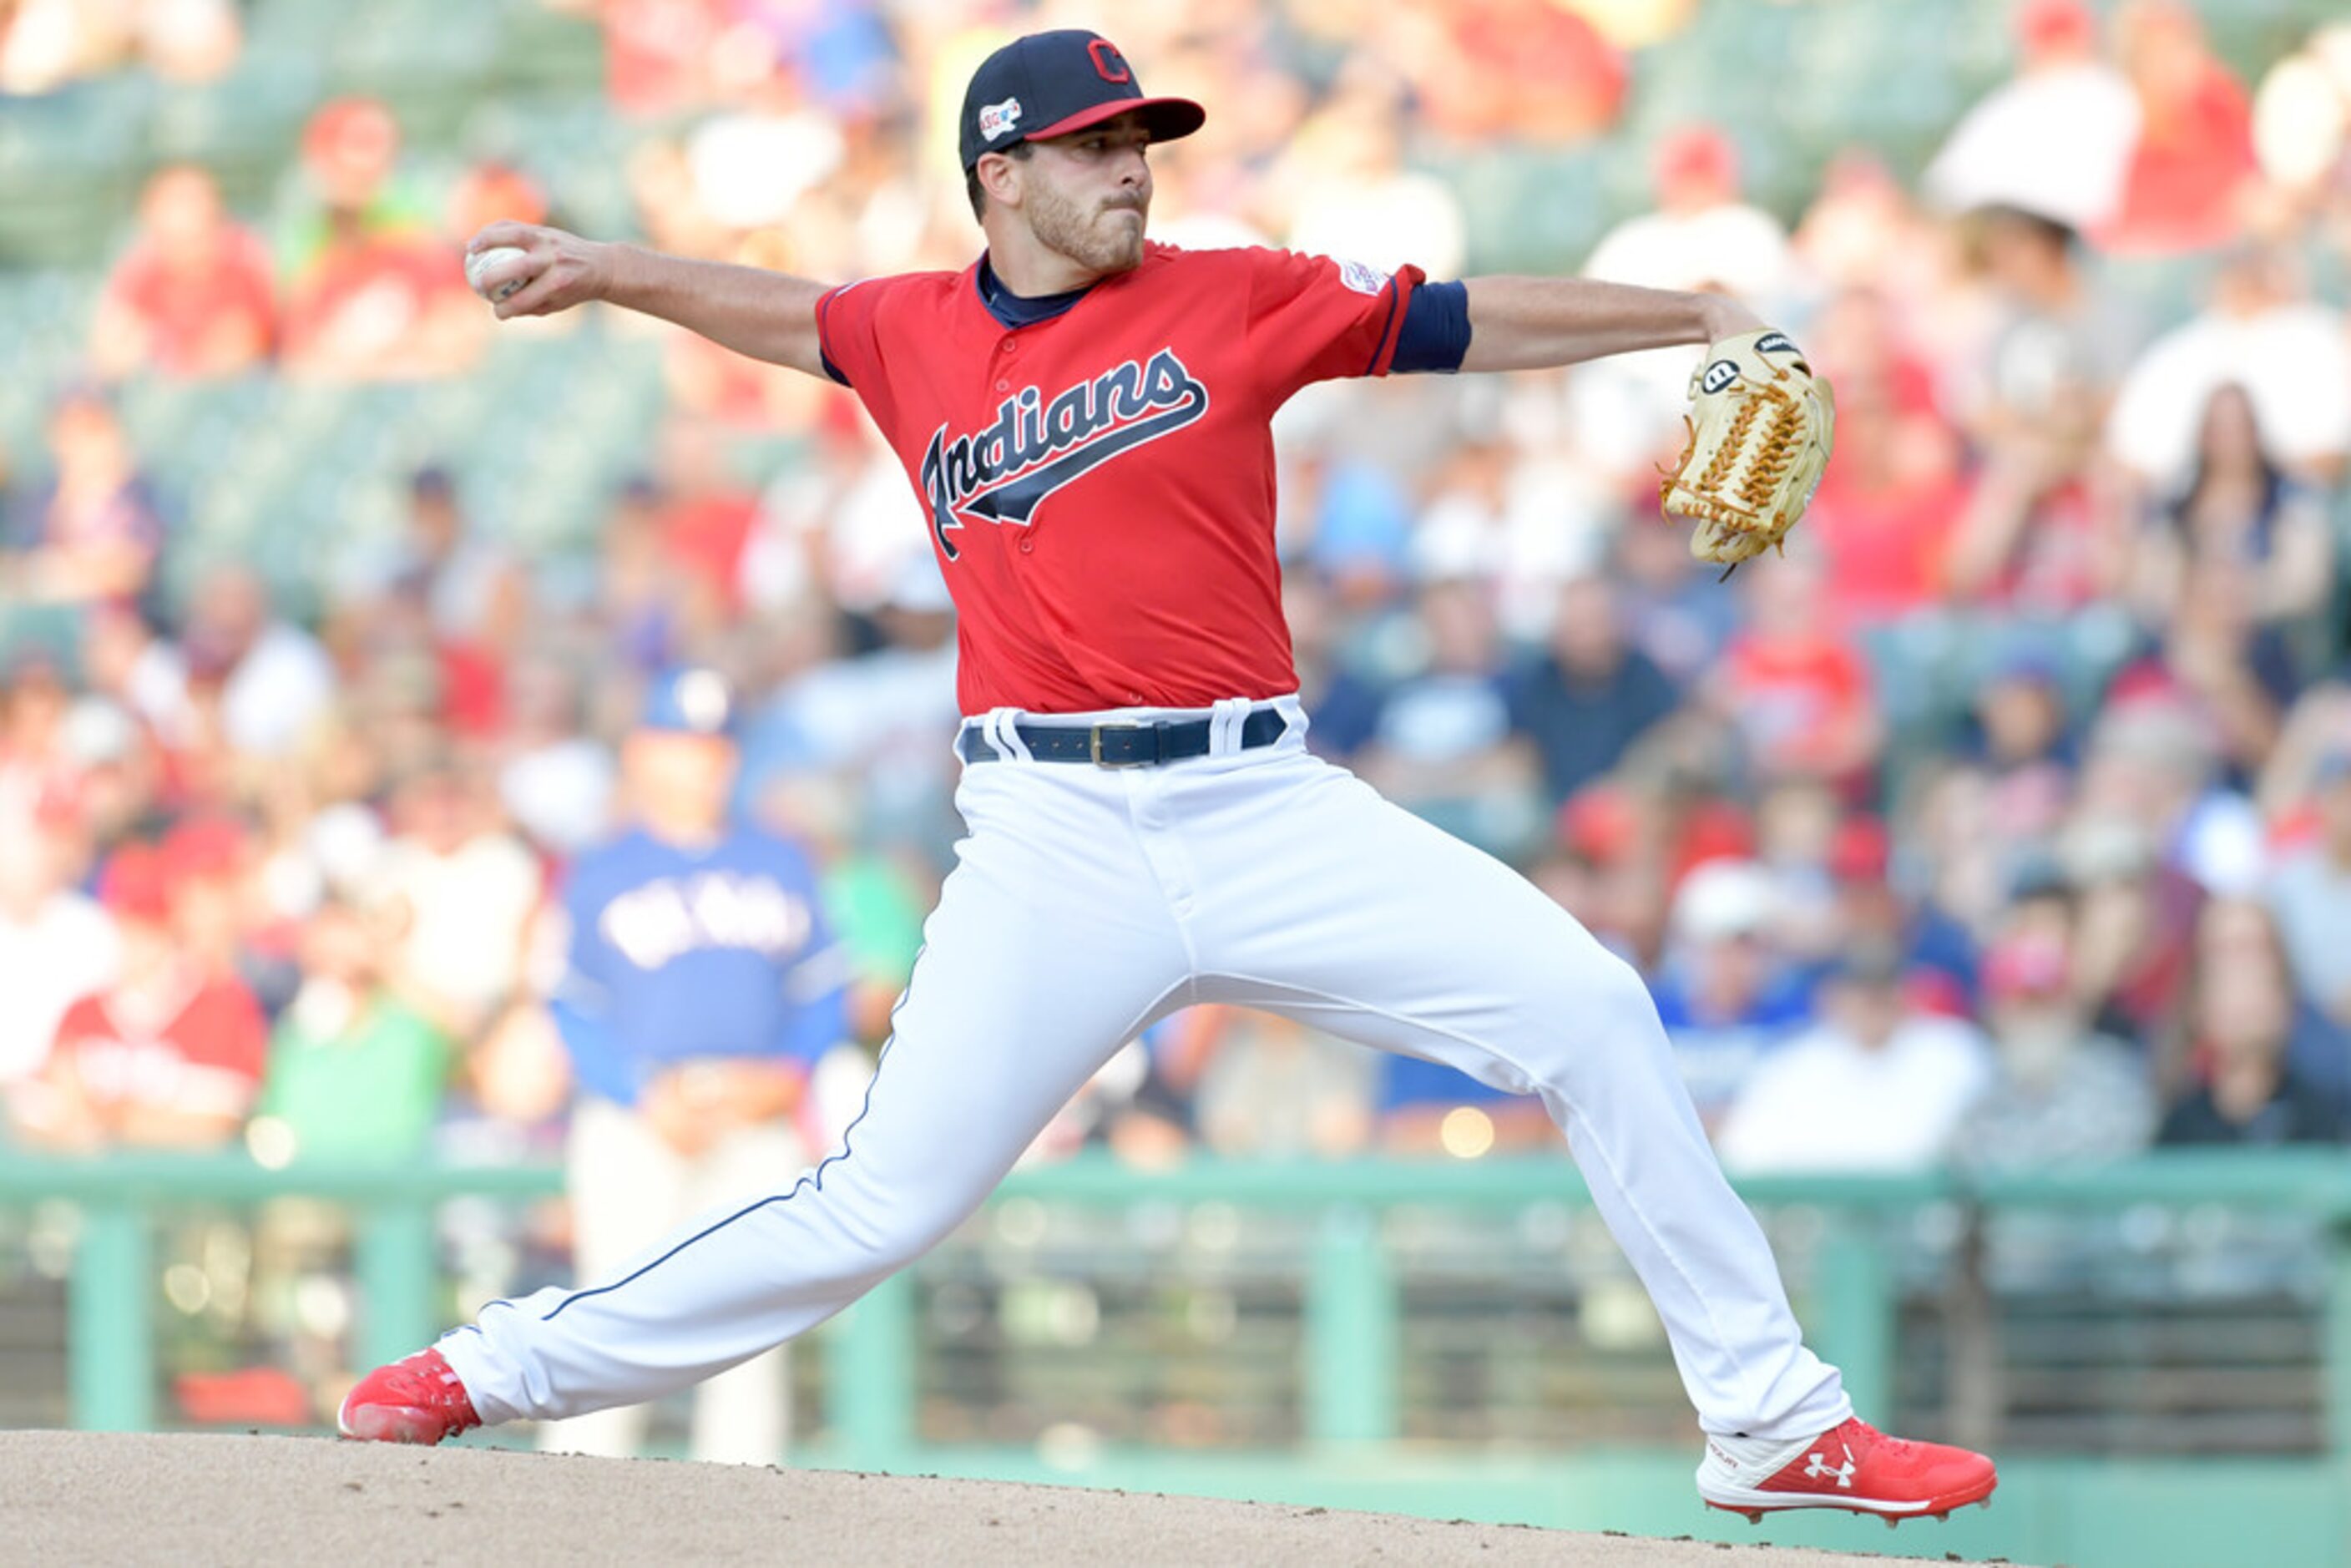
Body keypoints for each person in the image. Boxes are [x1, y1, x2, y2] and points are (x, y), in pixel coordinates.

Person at [342, 29, 1996, 1523]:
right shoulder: (908, 331)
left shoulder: (1234, 293)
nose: (1129, 166)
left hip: (1264, 804)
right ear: (1000, 174)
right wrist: (614, 272)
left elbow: (1457, 320)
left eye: (1141, 139)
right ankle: (490, 1371)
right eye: (1090, 145)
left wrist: (1696, 317)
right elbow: (788, 314)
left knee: (1590, 1010)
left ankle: (1769, 1422)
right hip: (1049, 837)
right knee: (879, 1204)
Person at [526, 666, 844, 1464]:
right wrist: (637, 1091)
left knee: (748, 1344)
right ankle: (560, 1527)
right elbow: (570, 1005)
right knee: (609, 1326)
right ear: (641, 755)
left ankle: (741, 1540)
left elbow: (824, 993)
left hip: (755, 1115)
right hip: (638, 1120)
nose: (701, 766)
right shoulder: (599, 868)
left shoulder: (780, 858)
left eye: (713, 749)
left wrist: (787, 1073)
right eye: (681, 746)